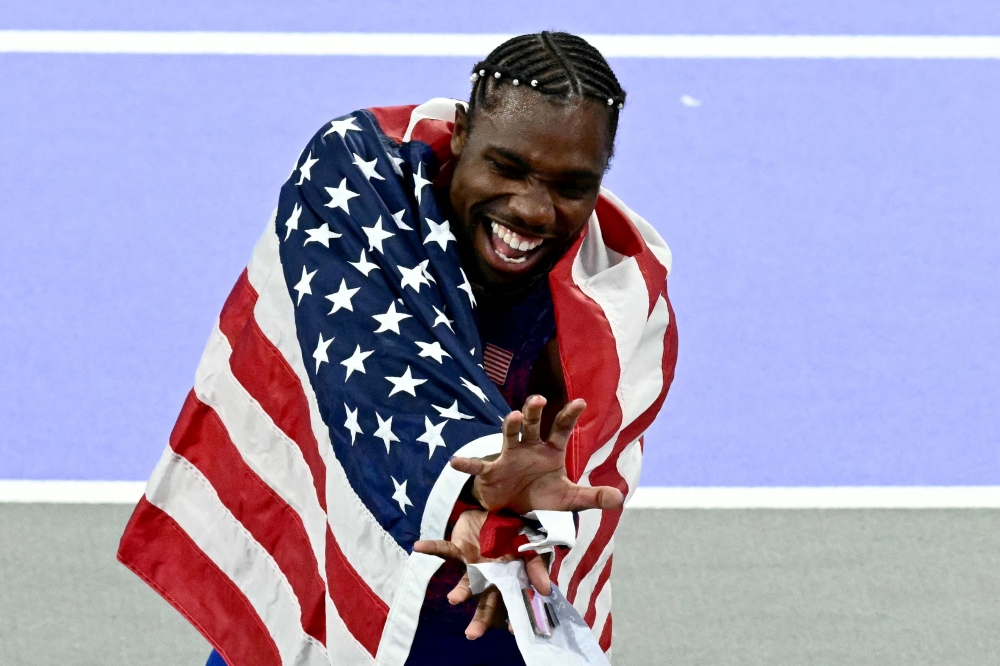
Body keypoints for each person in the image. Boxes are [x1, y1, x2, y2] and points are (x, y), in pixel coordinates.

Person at [119, 30, 677, 666]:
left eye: (572, 185)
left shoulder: (612, 300)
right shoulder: (354, 194)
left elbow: (567, 486)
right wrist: (470, 498)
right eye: (509, 167)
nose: (533, 210)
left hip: (476, 619)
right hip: (336, 582)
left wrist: (522, 534)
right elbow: (371, 386)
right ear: (462, 133)